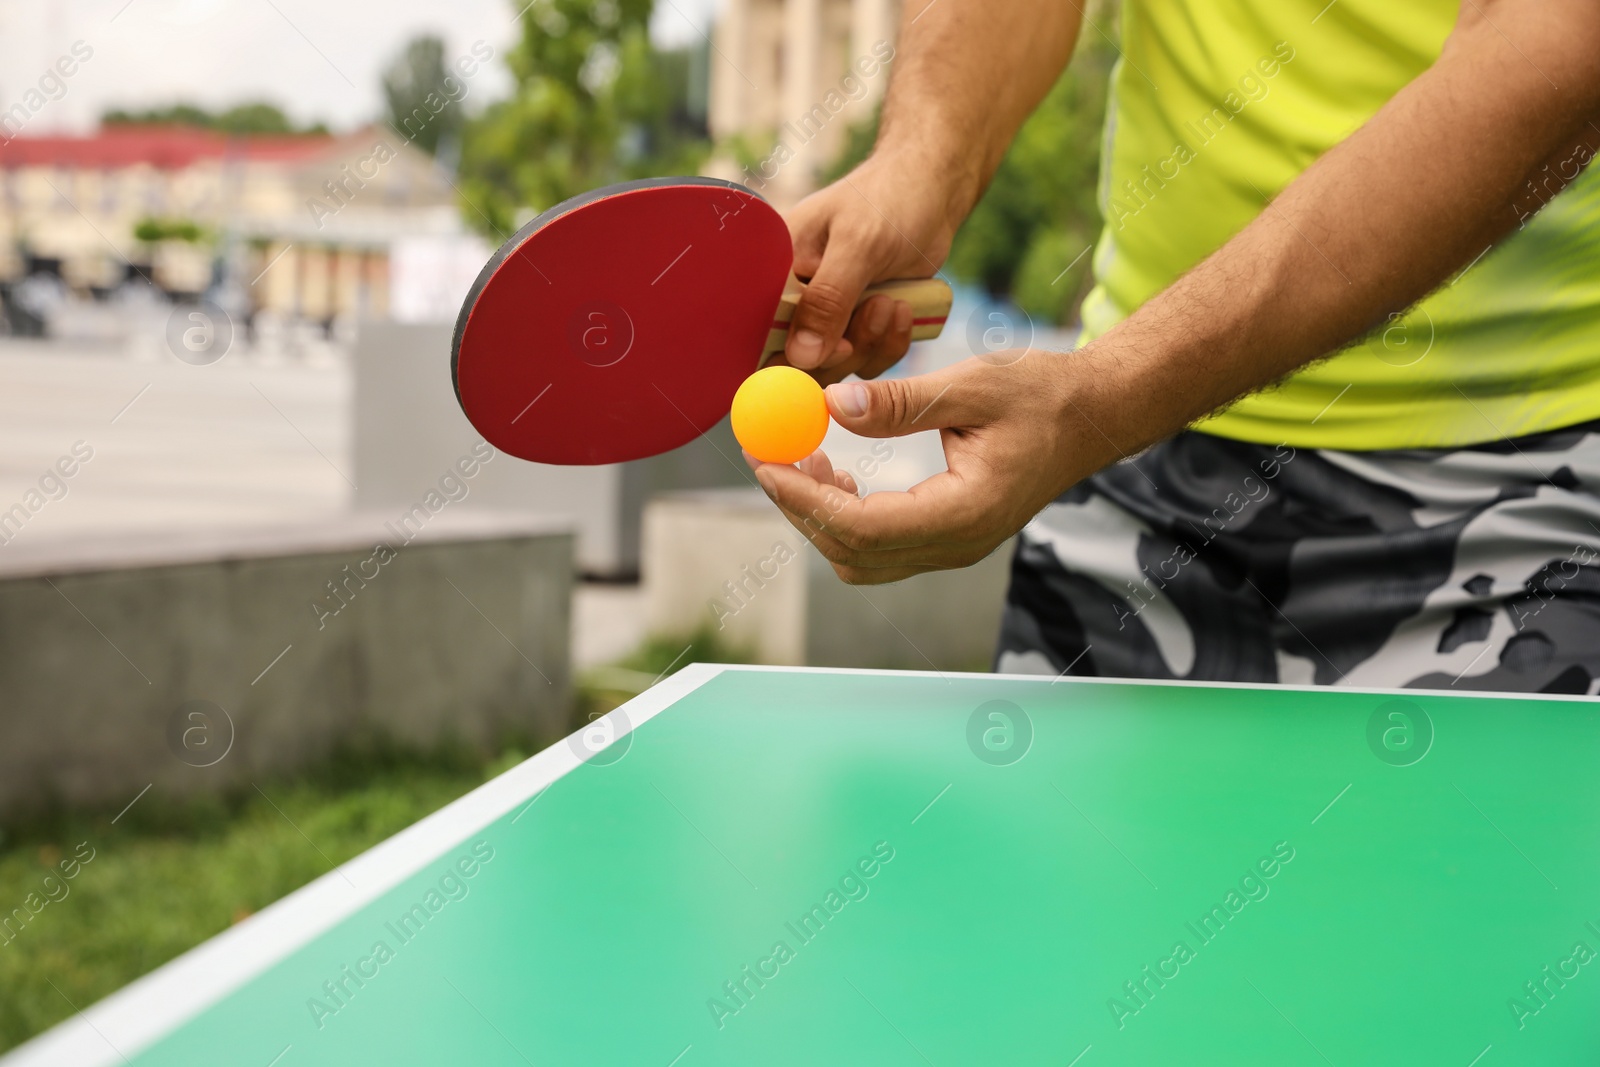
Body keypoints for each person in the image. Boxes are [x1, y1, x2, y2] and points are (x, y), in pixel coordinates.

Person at [747, 0, 1600, 693]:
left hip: (1516, 500)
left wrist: (1106, 396)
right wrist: (923, 161)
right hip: (1129, 473)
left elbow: (1559, 42)